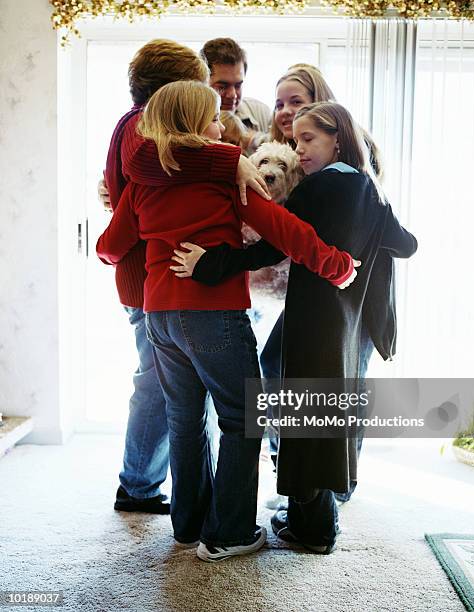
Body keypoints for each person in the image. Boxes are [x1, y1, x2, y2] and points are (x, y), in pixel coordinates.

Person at [96, 81, 359, 561]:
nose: (222, 126)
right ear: (198, 127)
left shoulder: (144, 182)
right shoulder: (222, 176)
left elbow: (108, 248)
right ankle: (231, 532)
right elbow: (285, 230)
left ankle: (189, 525)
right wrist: (337, 265)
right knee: (242, 419)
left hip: (160, 316)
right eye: (214, 118)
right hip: (211, 315)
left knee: (185, 418)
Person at [171, 101, 417, 553]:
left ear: (337, 139)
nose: (298, 149)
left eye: (309, 139)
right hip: (349, 324)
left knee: (302, 418)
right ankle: (311, 517)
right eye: (295, 140)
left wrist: (211, 263)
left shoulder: (313, 189)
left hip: (311, 319)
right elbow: (406, 244)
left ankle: (317, 529)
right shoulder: (369, 189)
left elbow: (270, 249)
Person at [102, 39, 271, 515]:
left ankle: (188, 506)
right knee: (162, 390)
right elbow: (143, 164)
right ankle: (138, 487)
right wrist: (228, 158)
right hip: (157, 282)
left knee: (181, 402)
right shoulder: (139, 125)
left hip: (160, 280)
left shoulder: (139, 125)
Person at [200, 38, 272, 154]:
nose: (232, 94)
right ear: (203, 82)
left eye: (238, 85)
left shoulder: (261, 113)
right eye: (222, 86)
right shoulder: (190, 122)